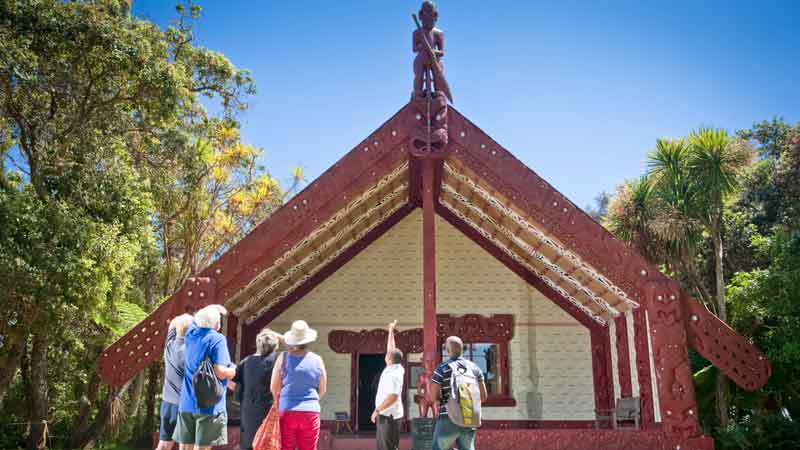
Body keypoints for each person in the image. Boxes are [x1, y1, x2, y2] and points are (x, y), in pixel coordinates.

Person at [174, 304, 236, 450]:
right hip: (209, 405)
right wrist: (233, 371)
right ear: (216, 324)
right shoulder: (217, 339)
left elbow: (197, 319)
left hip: (187, 402)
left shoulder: (191, 333)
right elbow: (220, 371)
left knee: (184, 447)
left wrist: (212, 307)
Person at [271, 320, 327, 450]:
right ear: (308, 340)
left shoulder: (283, 358)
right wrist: (310, 401)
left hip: (287, 410)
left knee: (286, 447)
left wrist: (279, 402)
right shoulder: (318, 360)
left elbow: (274, 387)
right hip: (310, 411)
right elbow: (323, 389)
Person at [430, 336, 488, 450]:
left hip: (447, 418)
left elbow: (433, 397)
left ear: (447, 350)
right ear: (463, 349)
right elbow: (483, 397)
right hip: (469, 418)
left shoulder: (442, 368)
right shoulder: (475, 369)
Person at [235, 327, 281, 450]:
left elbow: (232, 380)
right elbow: (294, 347)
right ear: (275, 346)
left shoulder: (247, 361)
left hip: (249, 408)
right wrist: (279, 336)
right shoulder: (279, 359)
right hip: (271, 408)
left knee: (249, 443)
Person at [157, 313, 193, 450]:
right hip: (183, 406)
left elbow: (173, 322)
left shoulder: (169, 346)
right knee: (185, 446)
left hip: (167, 404)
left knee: (164, 444)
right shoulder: (190, 354)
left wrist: (182, 320)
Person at [371, 320, 405, 450]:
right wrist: (391, 331)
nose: (386, 354)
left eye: (387, 355)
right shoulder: (395, 366)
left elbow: (393, 396)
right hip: (386, 415)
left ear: (389, 359)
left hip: (388, 416)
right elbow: (391, 348)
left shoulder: (393, 374)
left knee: (388, 447)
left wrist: (377, 410)